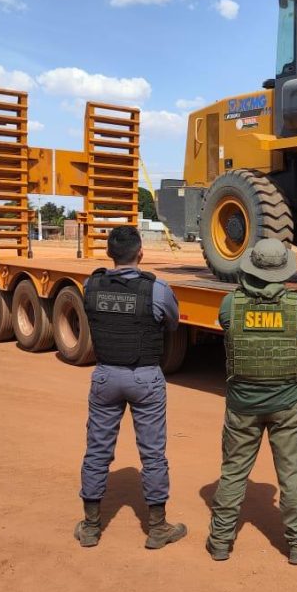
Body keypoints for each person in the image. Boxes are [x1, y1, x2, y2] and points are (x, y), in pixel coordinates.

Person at [205, 238, 297, 565]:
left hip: (242, 404)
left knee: (232, 473)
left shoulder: (230, 305)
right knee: (292, 476)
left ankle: (220, 541)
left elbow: (229, 330)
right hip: (288, 403)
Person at [74, 225, 186, 550]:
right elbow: (173, 323)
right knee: (152, 454)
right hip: (145, 377)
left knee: (97, 451)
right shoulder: (157, 289)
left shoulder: (90, 285)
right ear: (141, 253)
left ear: (110, 254)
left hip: (106, 376)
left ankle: (91, 527)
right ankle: (158, 527)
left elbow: (93, 316)